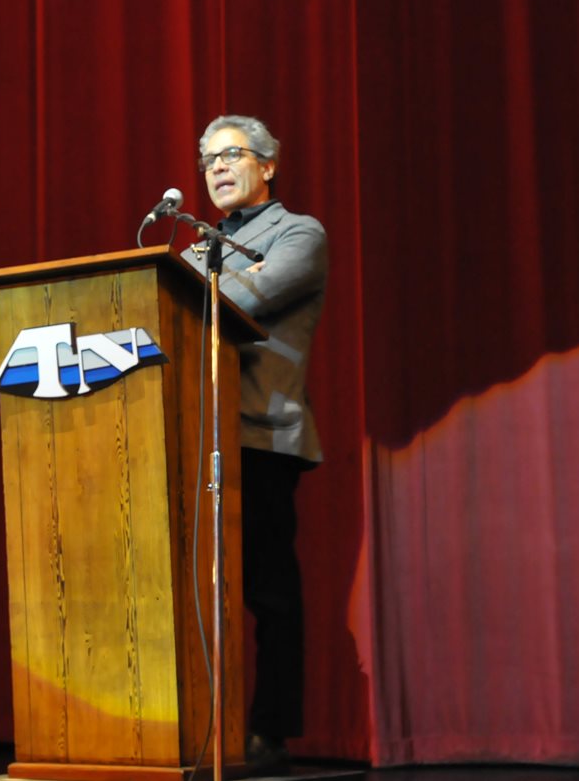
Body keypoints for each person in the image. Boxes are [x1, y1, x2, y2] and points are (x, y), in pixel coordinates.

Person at [180, 115, 327, 772]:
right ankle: (198, 722)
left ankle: (270, 730)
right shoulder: (194, 250)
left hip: (260, 432)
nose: (217, 167)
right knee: (195, 588)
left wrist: (224, 282)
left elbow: (250, 298)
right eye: (209, 159)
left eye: (231, 154)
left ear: (267, 165)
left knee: (267, 590)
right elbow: (167, 301)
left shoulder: (299, 233)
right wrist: (227, 277)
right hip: (191, 434)